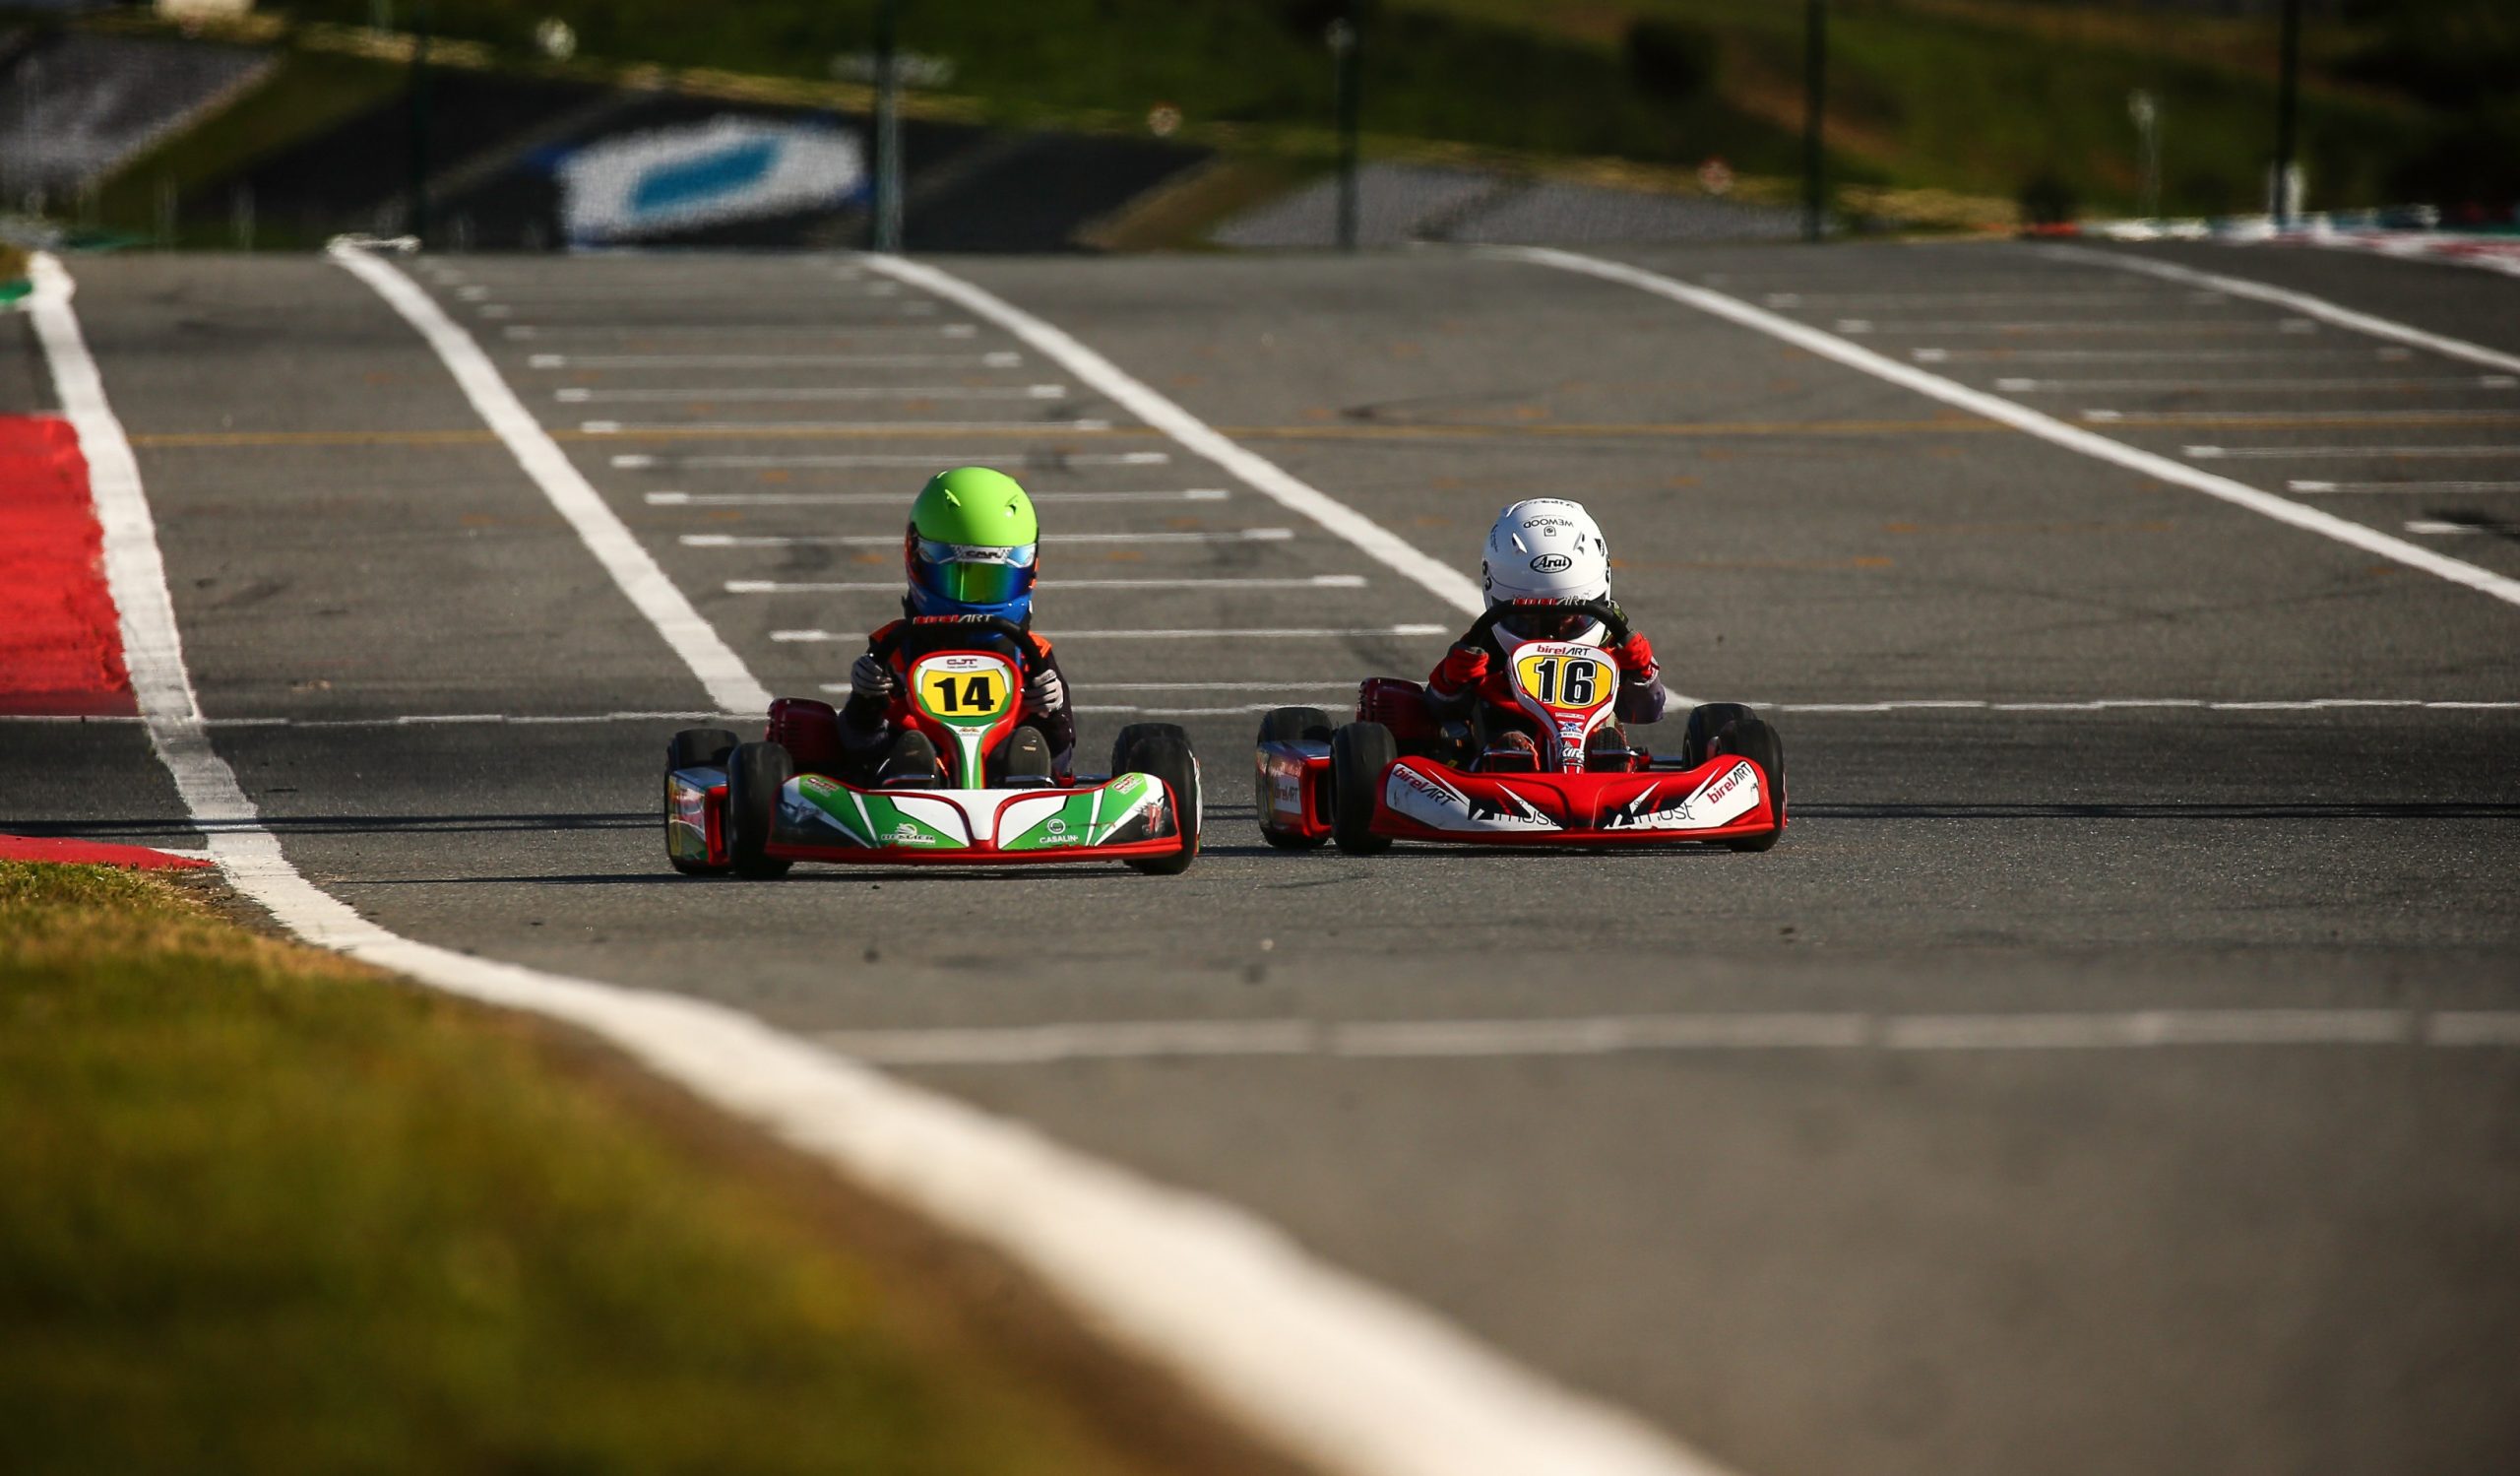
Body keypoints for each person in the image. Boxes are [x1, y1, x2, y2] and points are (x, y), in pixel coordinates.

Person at [838, 467, 1074, 784]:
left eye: (994, 581)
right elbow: (857, 746)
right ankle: (917, 772)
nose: (976, 599)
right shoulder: (893, 647)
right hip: (909, 790)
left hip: (1007, 790)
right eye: (960, 579)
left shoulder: (1033, 655)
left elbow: (1061, 757)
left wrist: (1051, 713)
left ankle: (1018, 780)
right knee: (910, 750)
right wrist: (865, 700)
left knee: (1025, 748)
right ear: (917, 558)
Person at [1423, 498, 1666, 768]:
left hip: (1593, 755)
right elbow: (1437, 707)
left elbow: (1649, 709)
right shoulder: (1486, 641)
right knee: (1507, 741)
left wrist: (1641, 673)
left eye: (1568, 619)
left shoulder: (1611, 636)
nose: (1552, 634)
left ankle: (1611, 759)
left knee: (1606, 737)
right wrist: (1454, 678)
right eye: (1530, 619)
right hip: (1503, 757)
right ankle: (1510, 755)